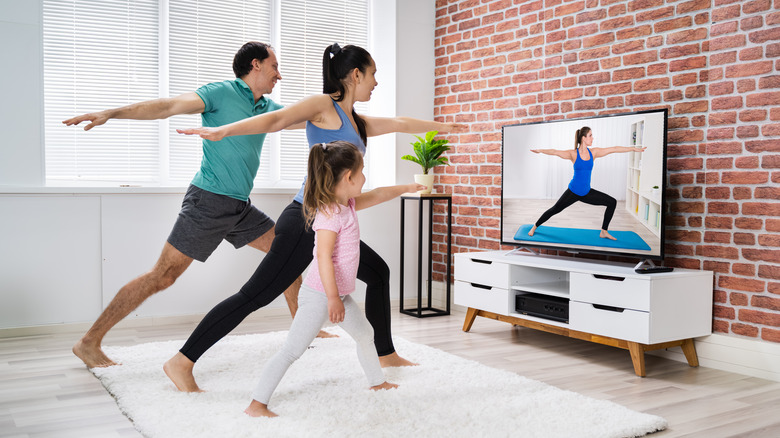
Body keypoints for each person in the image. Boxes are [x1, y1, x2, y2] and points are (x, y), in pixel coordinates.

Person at [164, 43, 464, 392]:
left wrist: (447, 126)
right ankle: (181, 360)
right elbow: (276, 119)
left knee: (378, 272)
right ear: (355, 75)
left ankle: (385, 354)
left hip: (332, 218)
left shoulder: (357, 122)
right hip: (305, 220)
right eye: (373, 75)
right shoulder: (324, 106)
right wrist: (224, 130)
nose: (375, 83)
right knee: (255, 296)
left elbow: (399, 123)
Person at [63, 42, 309, 368]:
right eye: (275, 66)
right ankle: (88, 342)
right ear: (256, 65)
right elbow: (167, 106)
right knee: (163, 277)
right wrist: (112, 112)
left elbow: (308, 120)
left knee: (287, 255)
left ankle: (303, 333)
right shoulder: (220, 93)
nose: (280, 74)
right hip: (208, 201)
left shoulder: (265, 108)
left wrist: (350, 114)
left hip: (238, 206)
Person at [246, 141, 412, 417]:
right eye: (362, 172)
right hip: (320, 296)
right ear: (348, 177)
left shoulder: (346, 204)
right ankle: (256, 403)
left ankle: (377, 382)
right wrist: (333, 298)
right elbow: (323, 257)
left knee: (365, 335)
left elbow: (378, 195)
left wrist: (407, 188)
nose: (364, 178)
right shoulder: (329, 214)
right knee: (292, 350)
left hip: (339, 295)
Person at [528, 126, 646, 240]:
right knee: (555, 209)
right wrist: (540, 151)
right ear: (583, 138)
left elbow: (614, 149)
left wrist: (633, 149)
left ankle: (604, 231)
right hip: (573, 191)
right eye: (590, 135)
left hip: (586, 192)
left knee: (612, 202)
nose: (592, 138)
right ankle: (535, 226)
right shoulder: (573, 154)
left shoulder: (593, 153)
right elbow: (554, 152)